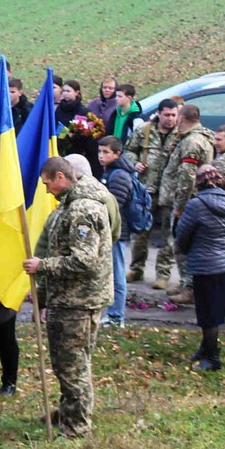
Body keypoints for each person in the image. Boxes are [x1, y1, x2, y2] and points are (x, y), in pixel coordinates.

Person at [24, 157, 116, 430]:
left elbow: (85, 261)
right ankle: (69, 411)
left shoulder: (81, 211)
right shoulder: (71, 206)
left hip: (78, 300)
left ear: (61, 177)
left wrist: (43, 266)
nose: (46, 189)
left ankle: (77, 425)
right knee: (69, 362)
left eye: (48, 183)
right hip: (70, 297)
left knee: (73, 364)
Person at [173, 164, 225, 373]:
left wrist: (185, 250)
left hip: (204, 264)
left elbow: (182, 234)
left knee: (206, 313)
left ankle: (212, 357)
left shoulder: (196, 204)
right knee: (216, 310)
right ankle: (205, 348)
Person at [131, 98, 185, 286]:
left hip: (171, 192)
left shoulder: (182, 134)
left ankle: (163, 274)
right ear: (159, 114)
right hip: (148, 188)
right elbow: (129, 150)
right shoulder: (144, 131)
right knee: (140, 232)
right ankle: (136, 268)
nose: (170, 119)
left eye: (173, 115)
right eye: (166, 115)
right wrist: (134, 163)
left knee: (168, 235)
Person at [97, 136, 137, 325]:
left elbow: (114, 207)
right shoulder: (110, 171)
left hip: (117, 232)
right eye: (100, 151)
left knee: (117, 273)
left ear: (117, 154)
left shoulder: (119, 175)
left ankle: (115, 316)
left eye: (106, 152)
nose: (101, 156)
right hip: (112, 230)